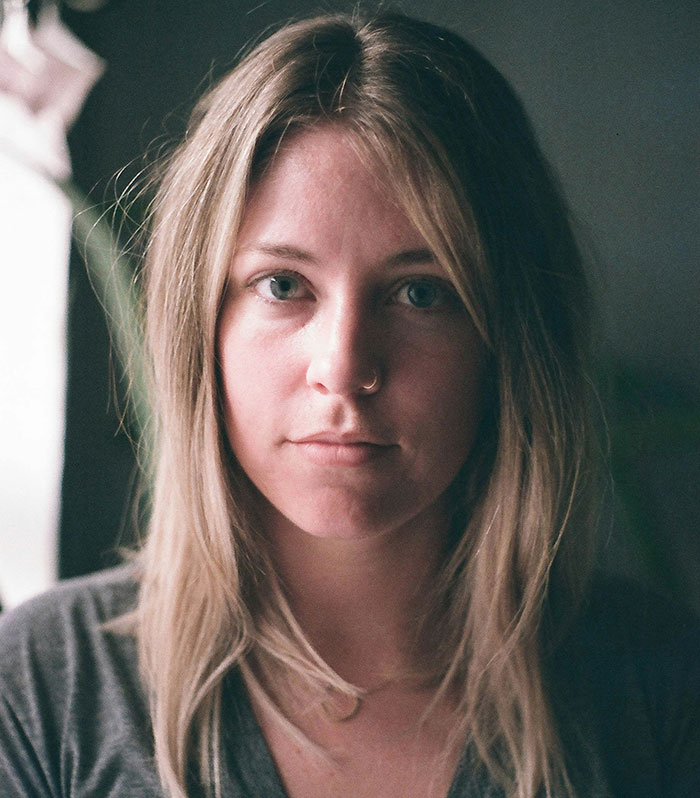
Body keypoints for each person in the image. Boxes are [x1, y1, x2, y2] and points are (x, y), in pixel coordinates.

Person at [0, 10, 698, 798]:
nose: (344, 368)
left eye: (420, 293)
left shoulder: (659, 692)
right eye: (282, 286)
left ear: (508, 338)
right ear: (201, 326)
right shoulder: (39, 692)